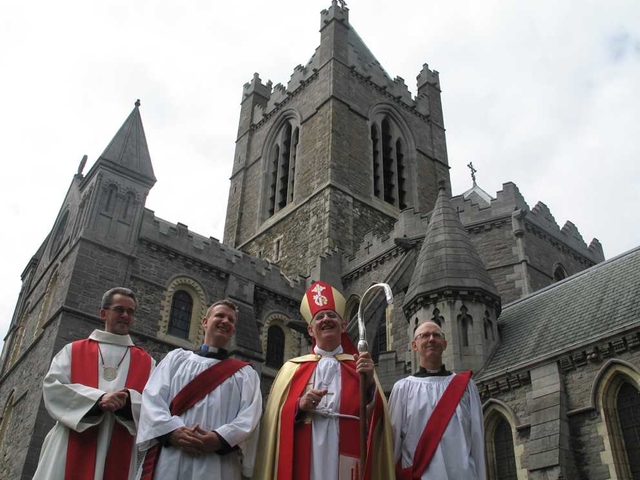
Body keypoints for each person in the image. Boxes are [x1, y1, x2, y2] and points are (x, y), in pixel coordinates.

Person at [254, 280, 394, 480]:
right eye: (319, 317)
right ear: (310, 330)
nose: (326, 319)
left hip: (348, 449)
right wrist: (299, 405)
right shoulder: (291, 369)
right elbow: (273, 419)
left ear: (344, 326)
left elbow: (377, 420)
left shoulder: (359, 367)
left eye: (332, 316)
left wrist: (370, 384)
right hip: (304, 450)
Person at [33, 287, 155, 480]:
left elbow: (154, 406)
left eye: (130, 312)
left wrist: (127, 403)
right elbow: (53, 389)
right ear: (103, 313)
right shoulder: (72, 351)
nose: (125, 315)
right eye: (119, 309)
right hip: (69, 443)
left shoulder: (147, 362)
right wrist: (98, 399)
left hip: (120, 445)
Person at [136, 299, 261, 480]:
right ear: (205, 322)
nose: (225, 321)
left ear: (233, 330)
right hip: (172, 456)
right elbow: (152, 399)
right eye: (219, 315)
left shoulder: (246, 374)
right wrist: (172, 432)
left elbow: (250, 417)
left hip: (217, 462)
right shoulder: (176, 359)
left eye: (231, 320)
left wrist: (219, 439)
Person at [388, 321, 486, 480]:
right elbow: (392, 444)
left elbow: (477, 440)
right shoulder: (402, 389)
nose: (431, 339)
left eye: (437, 335)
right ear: (414, 345)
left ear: (445, 344)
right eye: (425, 335)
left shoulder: (467, 387)